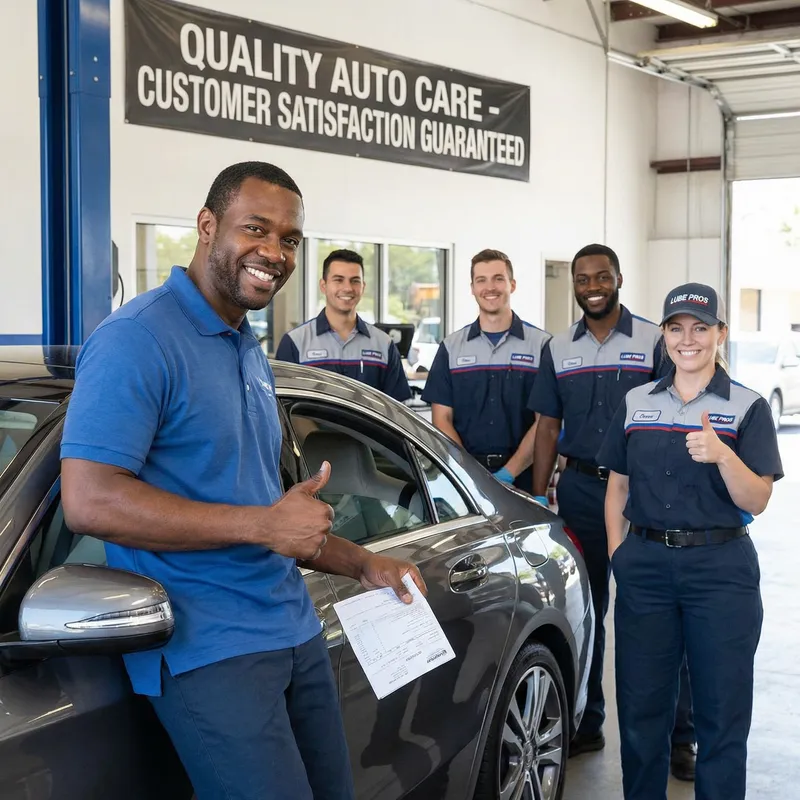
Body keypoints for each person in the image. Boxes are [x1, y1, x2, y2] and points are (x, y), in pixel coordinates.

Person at [59, 161, 426, 800]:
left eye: (288, 239)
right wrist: (264, 524)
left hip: (291, 624)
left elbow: (268, 513)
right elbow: (87, 499)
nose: (274, 252)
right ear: (207, 226)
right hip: (207, 646)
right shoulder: (137, 339)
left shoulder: (246, 344)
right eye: (254, 229)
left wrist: (365, 562)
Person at [598, 282, 781, 800]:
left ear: (720, 334)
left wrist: (724, 456)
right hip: (647, 568)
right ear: (663, 336)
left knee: (722, 716)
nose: (688, 340)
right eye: (677, 329)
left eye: (701, 328)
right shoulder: (637, 402)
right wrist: (619, 556)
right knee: (640, 713)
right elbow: (617, 486)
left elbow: (758, 499)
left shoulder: (745, 407)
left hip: (721, 572)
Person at [528, 244, 697, 771]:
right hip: (579, 492)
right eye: (582, 278)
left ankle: (679, 737)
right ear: (574, 285)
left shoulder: (652, 339)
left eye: (602, 276)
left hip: (648, 493)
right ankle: (588, 722)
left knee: (663, 611)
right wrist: (537, 495)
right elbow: (547, 428)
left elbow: (681, 408)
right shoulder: (558, 348)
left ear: (618, 278)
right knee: (589, 611)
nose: (592, 285)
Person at [421, 248, 550, 493]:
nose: (490, 287)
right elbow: (441, 419)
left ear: (512, 285)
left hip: (524, 478)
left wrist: (508, 474)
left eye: (498, 279)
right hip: (464, 481)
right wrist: (469, 474)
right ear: (472, 288)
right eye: (481, 280)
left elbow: (545, 422)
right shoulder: (451, 348)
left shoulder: (542, 346)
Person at [275, 248, 411, 403]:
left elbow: (398, 408)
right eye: (338, 280)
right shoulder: (295, 342)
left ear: (363, 287)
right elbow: (284, 405)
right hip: (309, 429)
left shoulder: (383, 344)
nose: (347, 288)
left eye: (355, 281)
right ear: (323, 286)